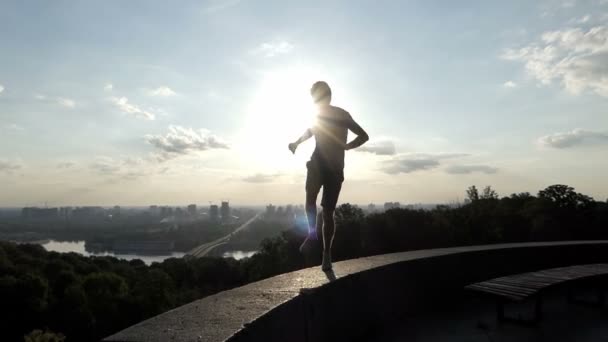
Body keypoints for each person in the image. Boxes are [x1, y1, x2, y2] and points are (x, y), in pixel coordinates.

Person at [288, 81, 369, 271]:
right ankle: (313, 235)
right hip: (319, 164)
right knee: (312, 202)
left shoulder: (341, 114)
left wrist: (348, 146)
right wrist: (296, 143)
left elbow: (364, 136)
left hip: (332, 169)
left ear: (324, 96)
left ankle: (326, 253)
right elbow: (311, 130)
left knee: (327, 211)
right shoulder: (320, 115)